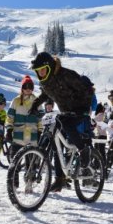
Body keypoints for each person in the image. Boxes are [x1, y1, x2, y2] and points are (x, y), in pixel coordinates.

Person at [28, 52, 94, 191]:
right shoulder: (46, 81)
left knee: (67, 124)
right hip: (65, 112)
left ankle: (83, 150)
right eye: (37, 71)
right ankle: (60, 179)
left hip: (79, 110)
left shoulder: (66, 75)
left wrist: (85, 108)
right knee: (55, 143)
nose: (40, 73)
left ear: (50, 67)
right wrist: (34, 105)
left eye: (42, 70)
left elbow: (86, 89)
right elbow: (45, 94)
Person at [6, 75, 42, 160]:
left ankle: (31, 172)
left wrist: (40, 131)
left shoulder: (37, 101)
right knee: (14, 162)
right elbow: (10, 117)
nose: (28, 89)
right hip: (18, 137)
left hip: (32, 137)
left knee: (31, 165)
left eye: (30, 86)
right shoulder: (16, 101)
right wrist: (9, 130)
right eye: (25, 86)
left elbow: (40, 119)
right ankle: (15, 173)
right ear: (22, 88)